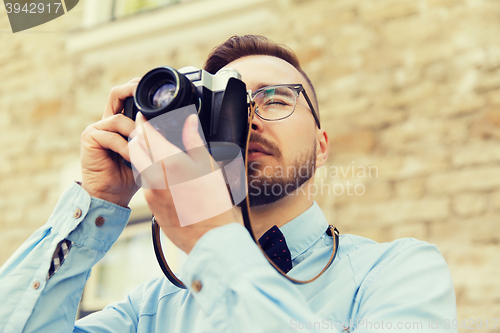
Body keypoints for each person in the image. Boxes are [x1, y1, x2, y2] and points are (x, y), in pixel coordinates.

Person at [0, 35, 457, 333]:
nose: (251, 118)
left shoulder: (397, 272)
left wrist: (211, 236)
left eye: (275, 98)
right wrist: (97, 201)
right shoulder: (148, 311)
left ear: (321, 146)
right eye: (230, 102)